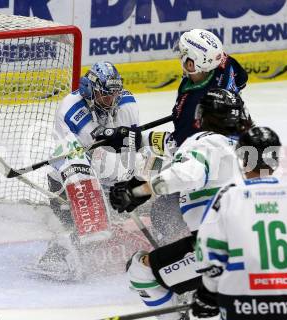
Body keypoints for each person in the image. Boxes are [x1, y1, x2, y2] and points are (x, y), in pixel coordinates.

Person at [108, 88, 253, 319]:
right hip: (262, 244)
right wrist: (133, 139)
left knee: (141, 271)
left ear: (202, 117)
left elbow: (188, 173)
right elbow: (172, 148)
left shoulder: (204, 142)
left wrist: (140, 191)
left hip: (221, 247)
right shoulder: (248, 148)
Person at [98, 29, 248, 244]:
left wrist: (136, 139)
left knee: (164, 210)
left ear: (192, 64)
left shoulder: (194, 108)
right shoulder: (224, 62)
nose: (180, 57)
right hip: (235, 141)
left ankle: (181, 248)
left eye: (183, 54)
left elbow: (177, 147)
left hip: (217, 166)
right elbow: (242, 80)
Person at [192, 126, 287, 320]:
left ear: (243, 158)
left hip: (242, 301)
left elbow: (208, 251)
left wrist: (209, 292)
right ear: (276, 159)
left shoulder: (229, 195)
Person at [36, 61, 140, 280]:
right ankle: (56, 255)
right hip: (68, 182)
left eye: (114, 94)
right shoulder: (69, 109)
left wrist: (127, 182)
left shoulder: (127, 104)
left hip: (108, 177)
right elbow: (69, 158)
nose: (111, 100)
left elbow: (131, 148)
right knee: (79, 224)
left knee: (141, 183)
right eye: (104, 95)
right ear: (89, 90)